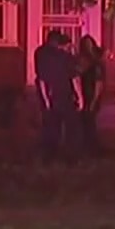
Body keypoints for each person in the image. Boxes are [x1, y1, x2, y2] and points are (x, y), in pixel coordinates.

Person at [34, 31, 82, 162]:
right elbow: (74, 78)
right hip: (65, 95)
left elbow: (41, 79)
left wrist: (45, 99)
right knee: (71, 127)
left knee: (51, 127)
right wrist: (80, 97)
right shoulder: (65, 58)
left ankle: (49, 155)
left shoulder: (40, 54)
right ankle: (71, 157)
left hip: (50, 95)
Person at [78, 35, 105, 154]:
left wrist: (95, 99)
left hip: (91, 94)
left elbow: (99, 82)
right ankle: (88, 145)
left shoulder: (96, 64)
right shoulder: (85, 61)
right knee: (85, 121)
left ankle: (92, 146)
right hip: (84, 94)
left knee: (89, 120)